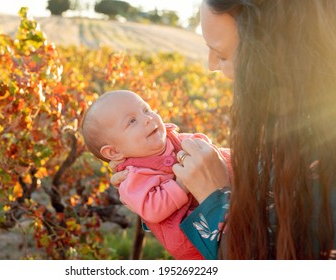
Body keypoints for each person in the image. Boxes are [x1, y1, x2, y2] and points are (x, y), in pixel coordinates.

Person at [111, 0, 336, 259]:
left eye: (222, 54)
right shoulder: (289, 128)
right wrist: (152, 180)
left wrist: (215, 198)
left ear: (279, 52)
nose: (211, 65)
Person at [81, 89, 232, 260]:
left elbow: (198, 143)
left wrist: (200, 143)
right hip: (195, 237)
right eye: (132, 121)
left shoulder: (171, 138)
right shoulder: (132, 177)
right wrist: (181, 185)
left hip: (227, 193)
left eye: (146, 109)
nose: (147, 119)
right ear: (114, 152)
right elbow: (152, 209)